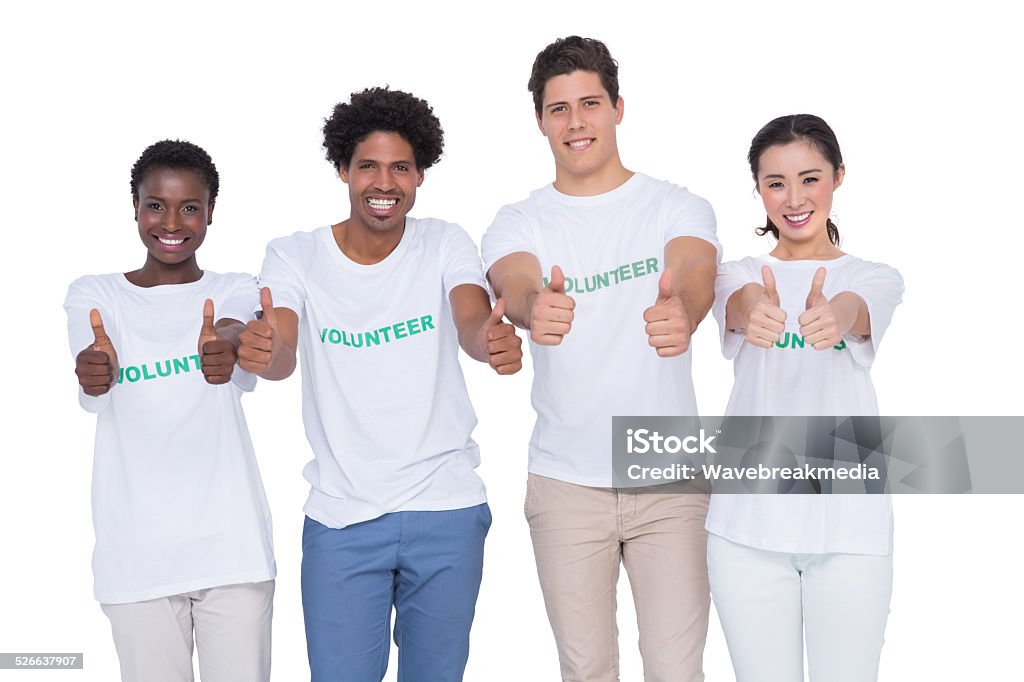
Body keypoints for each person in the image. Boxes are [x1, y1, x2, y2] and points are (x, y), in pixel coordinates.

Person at [236, 86, 522, 682]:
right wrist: (266, 352)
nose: (383, 182)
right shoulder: (294, 256)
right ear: (343, 169)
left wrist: (487, 342)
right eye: (368, 165)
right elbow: (284, 348)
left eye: (400, 167)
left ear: (420, 175)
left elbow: (471, 317)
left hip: (445, 508)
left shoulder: (444, 242)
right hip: (343, 518)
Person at [481, 36, 720, 682]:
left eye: (590, 103)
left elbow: (696, 266)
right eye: (558, 109)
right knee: (585, 671)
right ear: (539, 121)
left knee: (676, 670)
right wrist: (535, 307)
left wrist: (686, 311)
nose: (576, 122)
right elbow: (515, 279)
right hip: (567, 483)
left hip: (668, 476)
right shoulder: (518, 219)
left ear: (618, 107)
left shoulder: (675, 205)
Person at [64, 140, 276, 682]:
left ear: (210, 213)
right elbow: (93, 369)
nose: (171, 222)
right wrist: (95, 367)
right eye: (155, 205)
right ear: (134, 208)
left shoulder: (236, 287)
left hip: (233, 554)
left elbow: (232, 324)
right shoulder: (96, 295)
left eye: (190, 207)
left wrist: (226, 343)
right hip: (137, 559)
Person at [707, 114, 904, 681]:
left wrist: (836, 315)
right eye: (775, 183)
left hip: (850, 531)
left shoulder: (875, 276)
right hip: (746, 529)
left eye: (810, 178)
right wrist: (753, 310)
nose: (794, 198)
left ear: (839, 177)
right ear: (759, 190)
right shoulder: (737, 273)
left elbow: (857, 311)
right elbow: (738, 301)